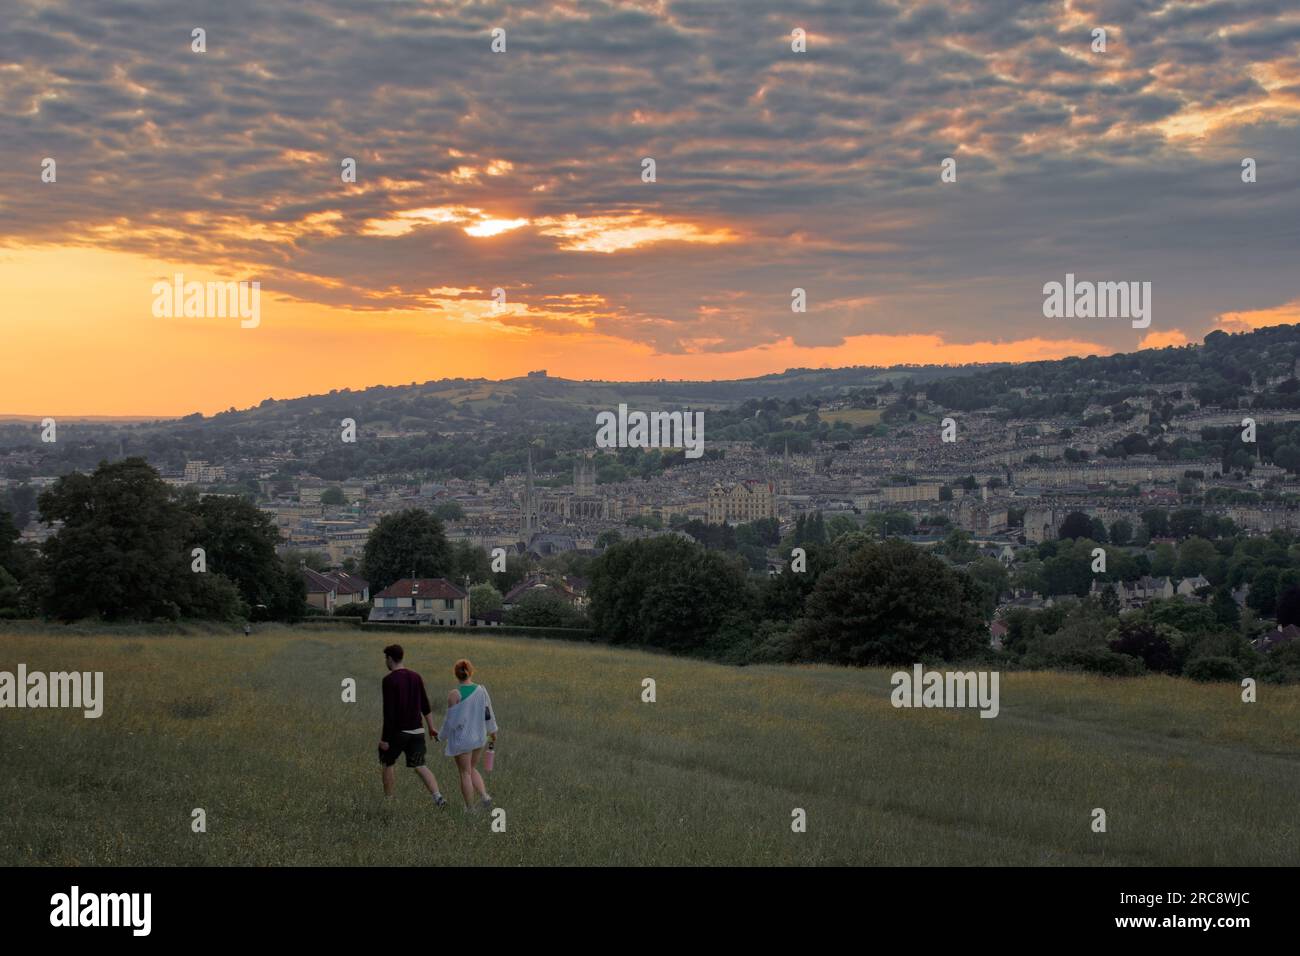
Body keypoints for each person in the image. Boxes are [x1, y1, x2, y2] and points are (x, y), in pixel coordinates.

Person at [378, 644, 446, 807]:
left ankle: (389, 800)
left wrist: (385, 740)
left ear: (390, 659)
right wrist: (431, 727)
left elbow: (389, 712)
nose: (385, 661)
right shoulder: (416, 677)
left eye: (385, 658)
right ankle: (438, 797)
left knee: (388, 762)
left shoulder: (388, 680)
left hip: (398, 732)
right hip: (417, 731)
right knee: (420, 764)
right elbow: (425, 705)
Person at [438, 659, 497, 811]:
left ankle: (470, 809)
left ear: (456, 674)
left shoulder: (454, 694)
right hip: (479, 737)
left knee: (465, 773)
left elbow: (450, 722)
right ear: (471, 672)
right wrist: (492, 731)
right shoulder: (482, 690)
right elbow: (488, 713)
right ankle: (485, 796)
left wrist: (441, 736)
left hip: (462, 740)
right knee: (471, 768)